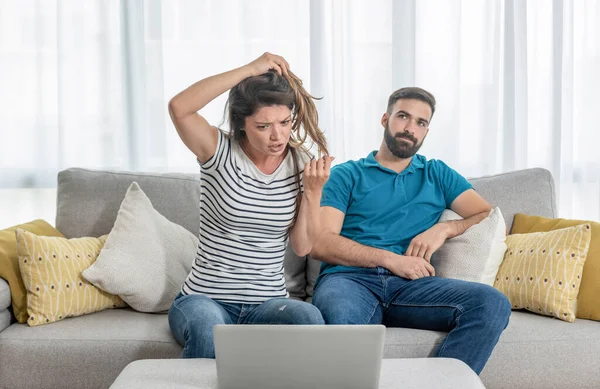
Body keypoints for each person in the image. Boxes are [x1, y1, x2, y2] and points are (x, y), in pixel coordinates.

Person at [310, 87, 511, 374]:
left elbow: (488, 216)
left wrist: (445, 228)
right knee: (345, 327)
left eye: (421, 122)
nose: (410, 128)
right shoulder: (347, 174)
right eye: (403, 116)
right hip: (349, 280)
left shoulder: (437, 173)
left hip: (413, 286)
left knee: (491, 303)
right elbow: (321, 243)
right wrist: (390, 259)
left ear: (427, 131)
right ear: (385, 119)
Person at [167, 53, 333, 358]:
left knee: (309, 319)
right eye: (263, 126)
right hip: (205, 300)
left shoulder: (301, 163)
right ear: (241, 124)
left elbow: (302, 246)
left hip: (267, 305)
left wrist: (312, 192)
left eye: (285, 122)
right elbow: (179, 107)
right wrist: (249, 69)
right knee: (208, 329)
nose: (278, 136)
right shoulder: (218, 151)